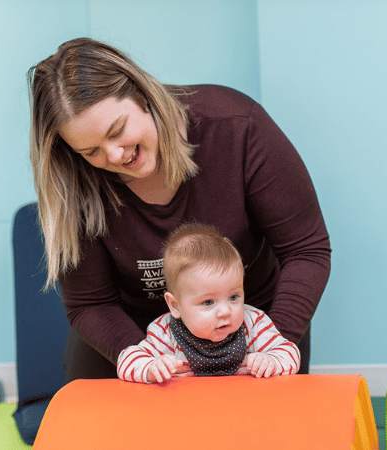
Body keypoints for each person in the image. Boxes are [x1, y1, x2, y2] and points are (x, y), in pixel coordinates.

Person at [27, 37, 331, 382]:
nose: (113, 157)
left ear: (142, 96)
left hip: (247, 321)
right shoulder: (75, 179)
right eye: (91, 150)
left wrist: (277, 343)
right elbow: (90, 303)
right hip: (132, 330)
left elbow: (306, 250)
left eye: (117, 131)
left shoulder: (237, 126)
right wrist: (138, 359)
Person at [117, 223, 300, 383]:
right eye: (208, 302)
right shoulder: (165, 333)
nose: (225, 311)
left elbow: (290, 353)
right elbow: (126, 361)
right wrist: (151, 368)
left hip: (242, 408)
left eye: (233, 297)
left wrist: (271, 362)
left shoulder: (253, 324)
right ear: (175, 306)